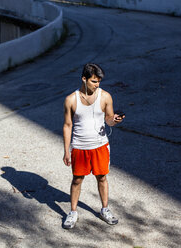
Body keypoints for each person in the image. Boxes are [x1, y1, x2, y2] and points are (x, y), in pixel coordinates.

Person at [62, 63, 125, 229]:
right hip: (79, 146)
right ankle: (73, 212)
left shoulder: (105, 97)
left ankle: (105, 209)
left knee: (102, 177)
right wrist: (66, 151)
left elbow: (109, 119)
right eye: (94, 81)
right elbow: (67, 125)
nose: (97, 85)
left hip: (100, 145)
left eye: (99, 82)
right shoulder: (71, 100)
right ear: (84, 79)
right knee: (77, 179)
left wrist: (115, 120)